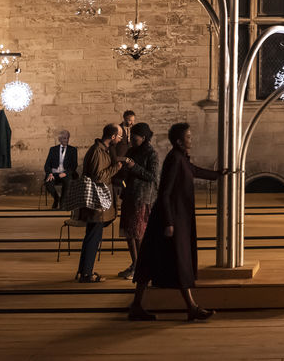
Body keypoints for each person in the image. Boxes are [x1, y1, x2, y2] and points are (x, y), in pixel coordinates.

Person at [127, 122, 219, 322]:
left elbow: (195, 170)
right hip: (167, 220)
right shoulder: (174, 159)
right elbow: (165, 192)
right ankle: (187, 308)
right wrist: (168, 223)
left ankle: (188, 307)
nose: (191, 139)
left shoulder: (180, 157)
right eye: (188, 136)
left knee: (169, 261)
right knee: (164, 261)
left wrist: (219, 174)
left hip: (174, 218)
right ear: (179, 141)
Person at [76, 124, 130, 283]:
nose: (120, 139)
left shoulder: (102, 150)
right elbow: (98, 177)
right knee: (93, 237)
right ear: (112, 137)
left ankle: (83, 271)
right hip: (97, 202)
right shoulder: (97, 152)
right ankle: (86, 274)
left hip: (99, 201)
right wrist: (116, 168)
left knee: (91, 236)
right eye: (119, 136)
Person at [117, 122, 159, 280]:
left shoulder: (151, 153)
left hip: (142, 197)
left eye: (135, 139)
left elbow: (152, 176)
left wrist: (134, 166)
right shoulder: (132, 151)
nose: (132, 141)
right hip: (129, 195)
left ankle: (142, 267)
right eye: (131, 138)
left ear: (144, 137)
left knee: (138, 233)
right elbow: (126, 173)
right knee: (129, 233)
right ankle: (135, 264)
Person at [43, 130, 78, 209]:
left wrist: (65, 173)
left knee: (68, 181)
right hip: (54, 173)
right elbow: (47, 164)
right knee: (48, 182)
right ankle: (56, 198)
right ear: (60, 139)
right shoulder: (53, 149)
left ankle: (62, 202)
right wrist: (50, 173)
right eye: (64, 138)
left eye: (67, 138)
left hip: (66, 174)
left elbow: (74, 165)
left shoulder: (73, 150)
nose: (66, 140)